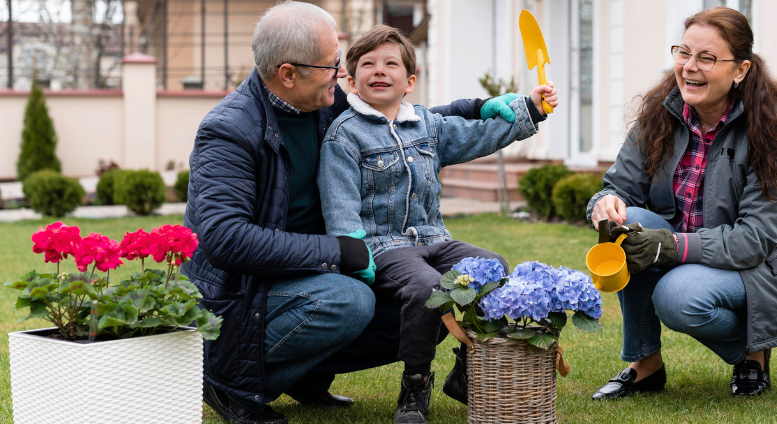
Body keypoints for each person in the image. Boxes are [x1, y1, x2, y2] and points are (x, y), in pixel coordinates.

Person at [182, 3, 524, 423]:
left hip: (312, 271)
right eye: (332, 65)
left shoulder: (325, 101)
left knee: (433, 295)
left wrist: (477, 107)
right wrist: (338, 252)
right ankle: (227, 381)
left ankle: (306, 375)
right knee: (351, 300)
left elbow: (399, 121)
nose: (343, 74)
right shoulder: (230, 130)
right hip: (246, 292)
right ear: (288, 74)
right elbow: (225, 239)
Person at [318, 25, 558, 424]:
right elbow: (340, 204)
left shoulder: (427, 125)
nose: (379, 70)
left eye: (390, 63)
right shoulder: (343, 136)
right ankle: (415, 384)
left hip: (434, 238)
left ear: (409, 80)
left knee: (493, 267)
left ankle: (466, 368)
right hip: (385, 245)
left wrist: (529, 109)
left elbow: (477, 135)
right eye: (368, 64)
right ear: (350, 80)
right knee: (427, 287)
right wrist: (354, 254)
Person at [586, 7, 777, 400]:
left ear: (740, 70)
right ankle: (646, 364)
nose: (690, 67)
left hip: (758, 264)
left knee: (676, 296)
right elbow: (618, 186)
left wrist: (671, 246)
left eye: (707, 58)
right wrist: (606, 204)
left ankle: (752, 353)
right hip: (686, 249)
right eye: (683, 53)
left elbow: (755, 238)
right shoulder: (662, 111)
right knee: (630, 220)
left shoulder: (772, 125)